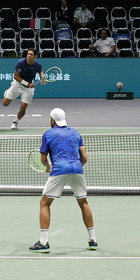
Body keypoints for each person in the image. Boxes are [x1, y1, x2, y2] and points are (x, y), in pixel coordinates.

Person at [29, 108, 97, 253]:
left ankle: (43, 242)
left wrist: (47, 167)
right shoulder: (75, 133)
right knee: (83, 202)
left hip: (59, 169)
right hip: (77, 169)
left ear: (52, 120)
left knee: (44, 203)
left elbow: (43, 158)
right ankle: (93, 240)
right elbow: (84, 157)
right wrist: (76, 167)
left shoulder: (48, 134)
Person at [2, 48, 43, 130]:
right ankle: (7, 92)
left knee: (23, 107)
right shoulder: (21, 63)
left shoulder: (37, 65)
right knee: (5, 104)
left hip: (28, 89)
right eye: (28, 54)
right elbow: (16, 76)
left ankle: (15, 122)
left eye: (31, 54)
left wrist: (42, 78)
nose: (29, 56)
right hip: (17, 85)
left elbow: (40, 71)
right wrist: (27, 84)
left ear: (35, 56)